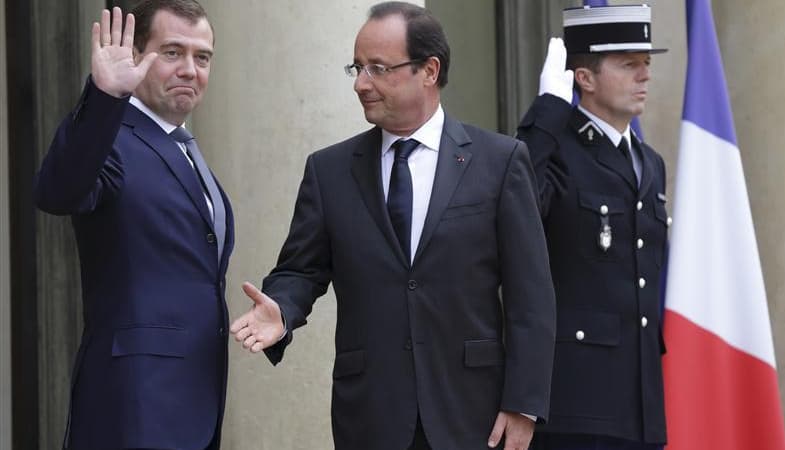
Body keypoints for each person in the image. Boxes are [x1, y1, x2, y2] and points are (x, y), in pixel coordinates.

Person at [230, 2, 555, 449]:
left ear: (429, 70)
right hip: (370, 415)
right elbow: (300, 271)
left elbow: (531, 296)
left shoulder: (499, 162)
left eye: (378, 68)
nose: (362, 84)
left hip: (473, 415)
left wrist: (523, 403)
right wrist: (282, 312)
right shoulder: (330, 171)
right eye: (357, 68)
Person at [34, 1, 233, 449]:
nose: (189, 69)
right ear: (137, 56)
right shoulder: (114, 138)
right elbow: (57, 191)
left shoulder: (184, 149)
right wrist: (104, 96)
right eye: (171, 53)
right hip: (133, 407)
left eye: (201, 58)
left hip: (195, 402)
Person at [515, 5, 669, 450]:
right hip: (574, 404)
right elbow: (513, 204)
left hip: (638, 405)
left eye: (646, 64)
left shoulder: (648, 162)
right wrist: (545, 113)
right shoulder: (555, 149)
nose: (644, 76)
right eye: (628, 64)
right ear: (584, 77)